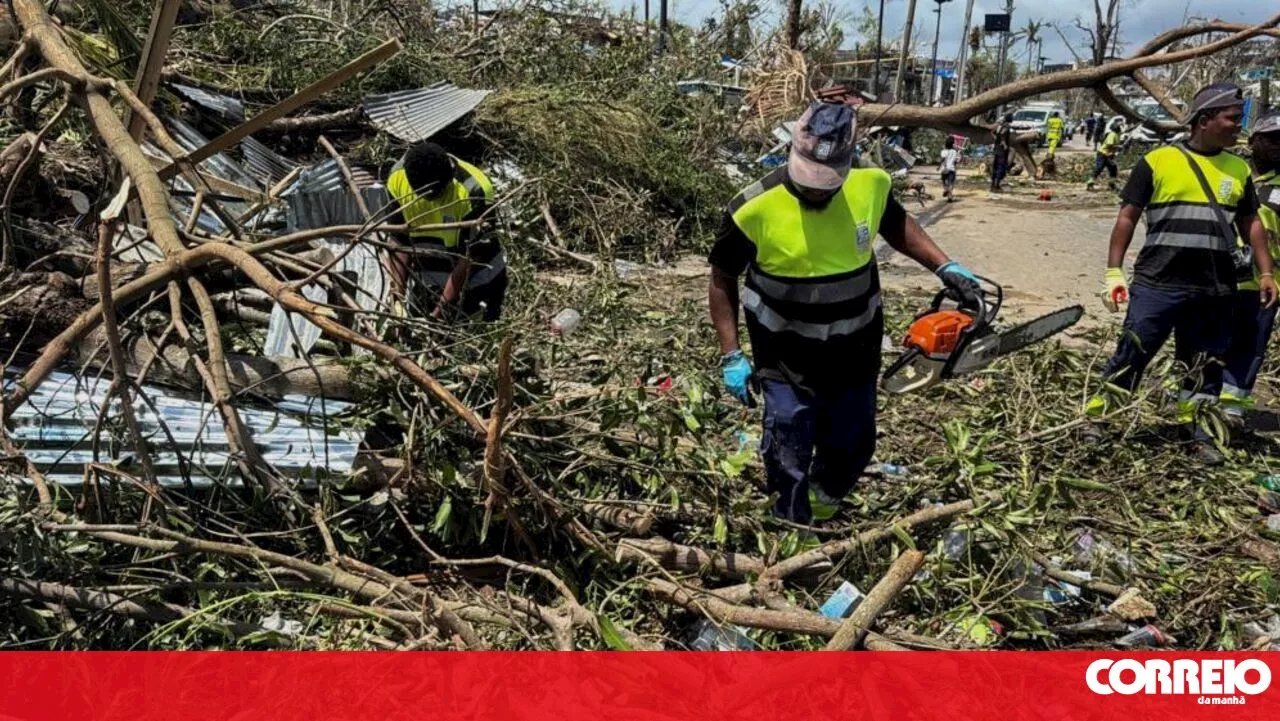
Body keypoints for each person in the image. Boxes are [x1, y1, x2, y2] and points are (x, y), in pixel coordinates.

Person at [707, 101, 987, 524]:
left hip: (855, 351)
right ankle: (791, 529)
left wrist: (944, 265)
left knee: (854, 444)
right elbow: (721, 278)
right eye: (809, 180)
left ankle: (821, 501)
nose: (817, 189)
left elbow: (897, 226)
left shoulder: (870, 186)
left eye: (828, 182)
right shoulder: (752, 208)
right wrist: (731, 353)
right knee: (787, 449)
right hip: (784, 357)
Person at [1087, 84, 1277, 465]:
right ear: (1204, 120)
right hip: (1158, 282)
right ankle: (1099, 419)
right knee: (1133, 352)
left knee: (1202, 364)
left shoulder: (1238, 169)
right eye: (1231, 119)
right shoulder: (1157, 162)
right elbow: (1127, 217)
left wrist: (1267, 272)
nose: (1237, 128)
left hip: (1214, 287)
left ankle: (1195, 431)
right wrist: (1113, 271)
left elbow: (1250, 222)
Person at [385, 142, 506, 321]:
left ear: (449, 178)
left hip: (478, 282)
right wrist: (397, 298)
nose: (431, 201)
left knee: (475, 338)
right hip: (428, 282)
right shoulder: (398, 179)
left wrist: (438, 313)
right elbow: (398, 241)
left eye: (437, 195)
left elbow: (470, 258)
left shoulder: (474, 190)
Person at [1222, 111, 1280, 421]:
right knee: (1208, 344)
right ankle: (1197, 406)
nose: (1278, 146)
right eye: (1272, 139)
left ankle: (1231, 412)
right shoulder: (1232, 173)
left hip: (1262, 286)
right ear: (1253, 140)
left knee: (1248, 349)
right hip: (1217, 279)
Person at [1087, 119, 1123, 191]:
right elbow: (1109, 145)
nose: (1120, 127)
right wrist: (1118, 147)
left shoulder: (1118, 134)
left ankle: (1111, 184)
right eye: (1119, 126)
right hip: (1103, 154)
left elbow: (1127, 130)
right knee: (1099, 168)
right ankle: (1090, 183)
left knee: (1113, 169)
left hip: (1109, 154)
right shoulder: (1112, 134)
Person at [991, 113, 1013, 193]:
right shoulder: (1007, 126)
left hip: (996, 149)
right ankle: (996, 186)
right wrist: (1004, 144)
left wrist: (996, 139)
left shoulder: (999, 126)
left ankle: (993, 185)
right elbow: (1003, 135)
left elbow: (992, 132)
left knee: (995, 167)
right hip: (1002, 151)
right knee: (1001, 168)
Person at [939, 136, 960, 202]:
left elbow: (942, 159)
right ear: (952, 144)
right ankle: (950, 197)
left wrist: (939, 166)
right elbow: (956, 161)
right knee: (950, 183)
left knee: (943, 181)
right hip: (952, 169)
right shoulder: (954, 152)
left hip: (944, 169)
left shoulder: (943, 151)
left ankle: (945, 189)